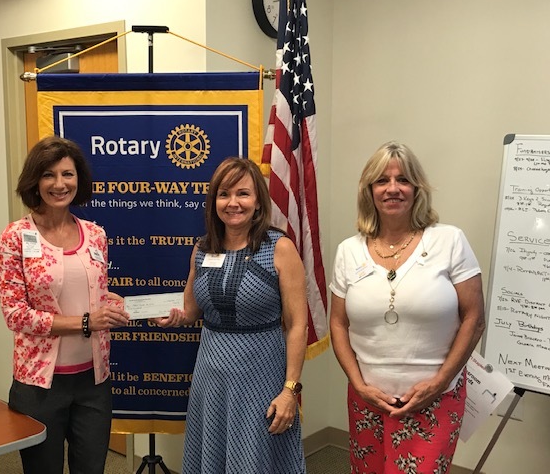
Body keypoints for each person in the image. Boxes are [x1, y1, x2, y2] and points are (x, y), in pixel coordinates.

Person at [329, 141, 485, 473]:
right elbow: (338, 324)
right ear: (369, 190)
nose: (393, 189)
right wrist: (358, 384)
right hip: (367, 399)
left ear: (417, 188)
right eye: (382, 181)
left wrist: (441, 381)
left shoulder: (449, 241)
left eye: (403, 180)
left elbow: (474, 318)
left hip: (435, 398)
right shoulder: (348, 251)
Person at [154, 157, 308, 473]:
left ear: (258, 202)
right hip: (211, 377)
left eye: (243, 194)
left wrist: (290, 389)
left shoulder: (279, 248)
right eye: (224, 194)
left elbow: (297, 325)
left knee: (254, 458)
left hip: (260, 376)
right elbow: (191, 311)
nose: (233, 203)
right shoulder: (202, 248)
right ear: (214, 202)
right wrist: (172, 317)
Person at [0, 136, 129, 474]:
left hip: (93, 382)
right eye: (48, 175)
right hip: (40, 385)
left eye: (68, 174)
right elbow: (15, 314)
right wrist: (86, 321)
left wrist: (109, 303)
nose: (59, 184)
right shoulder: (15, 236)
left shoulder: (95, 234)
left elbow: (89, 291)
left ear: (79, 179)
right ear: (34, 181)